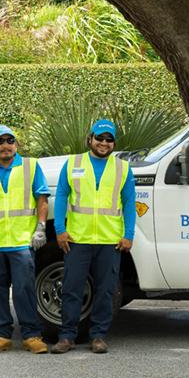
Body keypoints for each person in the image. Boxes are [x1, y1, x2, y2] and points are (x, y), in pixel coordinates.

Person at [50, 119, 136, 354]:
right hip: (77, 239)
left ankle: (98, 336)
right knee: (71, 288)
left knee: (105, 291)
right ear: (90, 139)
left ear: (114, 143)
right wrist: (60, 230)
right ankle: (67, 336)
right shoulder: (73, 163)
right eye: (100, 138)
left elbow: (129, 203)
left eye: (109, 139)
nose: (104, 143)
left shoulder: (123, 168)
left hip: (110, 241)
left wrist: (128, 235)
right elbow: (61, 196)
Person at [0, 125, 50, 354]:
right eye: (0, 141)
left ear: (16, 144)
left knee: (24, 290)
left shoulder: (30, 167)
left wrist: (41, 228)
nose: (5, 145)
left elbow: (42, 199)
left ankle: (32, 336)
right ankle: (1, 335)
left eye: (9, 140)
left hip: (21, 242)